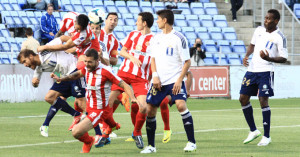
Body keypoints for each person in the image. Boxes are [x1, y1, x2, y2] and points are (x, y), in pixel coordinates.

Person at [51, 49, 139, 153]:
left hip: (99, 110)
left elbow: (123, 84)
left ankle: (89, 141)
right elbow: (77, 74)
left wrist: (133, 98)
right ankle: (113, 126)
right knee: (106, 119)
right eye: (86, 62)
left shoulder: (106, 71)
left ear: (97, 61)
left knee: (76, 132)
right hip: (90, 106)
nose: (87, 65)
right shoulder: (87, 68)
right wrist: (62, 79)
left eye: (90, 62)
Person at [141, 9, 196, 153]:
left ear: (165, 20)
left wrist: (179, 80)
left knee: (181, 105)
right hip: (158, 80)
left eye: (158, 19)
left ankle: (191, 142)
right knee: (150, 110)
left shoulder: (179, 38)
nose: (157, 21)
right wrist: (154, 76)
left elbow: (187, 62)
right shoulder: (155, 38)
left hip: (174, 80)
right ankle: (151, 146)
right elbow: (152, 58)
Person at [17, 38, 85, 137]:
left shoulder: (45, 51)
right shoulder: (38, 68)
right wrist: (34, 83)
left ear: (31, 56)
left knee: (81, 102)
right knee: (50, 97)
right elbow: (35, 81)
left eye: (25, 61)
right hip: (65, 76)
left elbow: (62, 38)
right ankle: (77, 115)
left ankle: (102, 126)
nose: (25, 64)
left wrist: (73, 44)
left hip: (75, 70)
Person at [240, 9, 287, 146]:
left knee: (263, 100)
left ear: (276, 21)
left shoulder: (280, 37)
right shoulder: (259, 30)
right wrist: (246, 56)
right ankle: (253, 130)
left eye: (269, 18)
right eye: (265, 18)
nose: (265, 20)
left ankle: (266, 136)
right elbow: (252, 45)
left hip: (266, 71)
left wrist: (268, 58)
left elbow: (284, 58)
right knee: (243, 98)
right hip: (252, 70)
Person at [108, 12, 154, 149]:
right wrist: (131, 58)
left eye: (138, 21)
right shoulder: (133, 34)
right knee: (109, 102)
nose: (136, 23)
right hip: (124, 74)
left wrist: (152, 79)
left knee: (143, 107)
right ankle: (105, 132)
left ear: (144, 23)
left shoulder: (155, 40)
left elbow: (155, 61)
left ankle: (137, 132)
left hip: (140, 78)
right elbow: (121, 52)